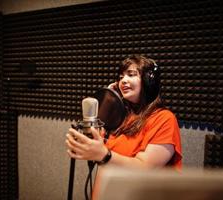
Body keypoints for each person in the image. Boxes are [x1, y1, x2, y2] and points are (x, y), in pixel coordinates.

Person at [65, 55, 182, 197]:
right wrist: (109, 99)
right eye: (120, 77)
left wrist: (105, 156)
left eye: (131, 75)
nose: (123, 81)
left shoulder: (164, 119)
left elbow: (145, 168)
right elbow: (97, 142)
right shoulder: (121, 116)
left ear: (148, 81)